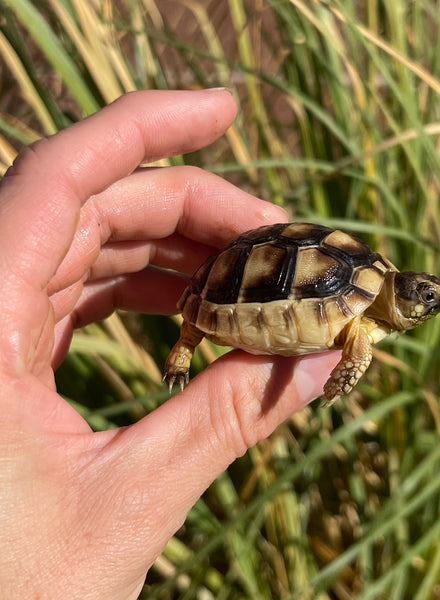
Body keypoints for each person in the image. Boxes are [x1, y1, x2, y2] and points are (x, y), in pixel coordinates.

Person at [0, 89, 339, 598]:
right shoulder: (356, 318)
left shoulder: (361, 312)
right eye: (423, 295)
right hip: (240, 291)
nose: (427, 304)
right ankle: (185, 343)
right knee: (196, 329)